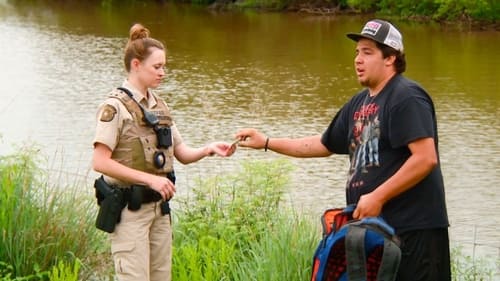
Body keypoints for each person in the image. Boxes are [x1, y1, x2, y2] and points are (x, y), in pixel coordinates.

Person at [235, 19, 450, 281]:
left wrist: (378, 196)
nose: (358, 59)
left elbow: (425, 158)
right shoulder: (359, 103)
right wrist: (267, 142)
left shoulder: (406, 97)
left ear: (390, 58)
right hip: (375, 232)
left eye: (368, 52)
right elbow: (323, 145)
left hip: (415, 231)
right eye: (357, 52)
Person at [92, 23, 236, 281]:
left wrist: (208, 149)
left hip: (159, 211)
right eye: (157, 67)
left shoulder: (160, 106)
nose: (163, 72)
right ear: (136, 65)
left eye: (164, 66)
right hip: (130, 213)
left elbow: (181, 153)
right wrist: (150, 179)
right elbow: (100, 162)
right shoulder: (114, 107)